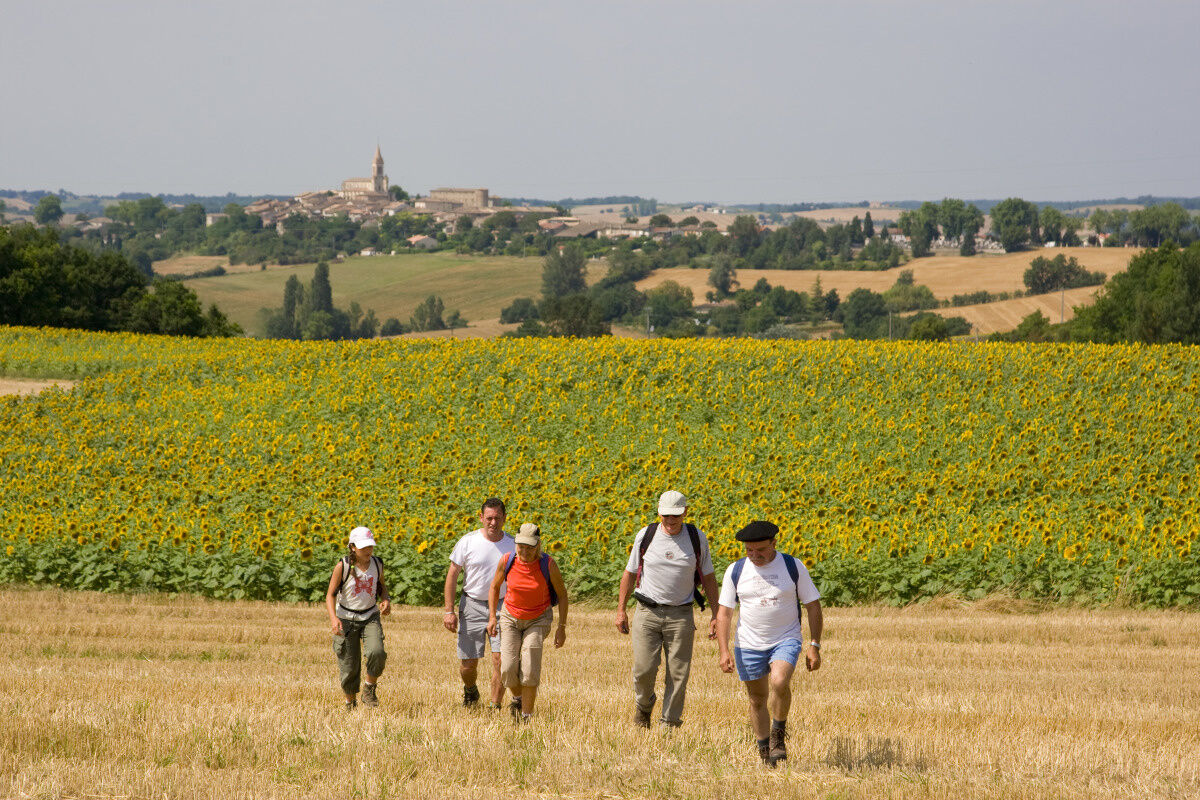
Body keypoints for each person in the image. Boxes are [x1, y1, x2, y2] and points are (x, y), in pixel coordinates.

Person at [715, 520, 823, 767]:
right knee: (756, 698)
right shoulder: (736, 570)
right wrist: (723, 651)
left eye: (761, 550)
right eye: (749, 550)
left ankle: (778, 735)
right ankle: (765, 753)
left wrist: (814, 644)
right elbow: (724, 613)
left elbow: (813, 606)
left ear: (774, 543)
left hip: (786, 638)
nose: (755, 555)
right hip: (748, 643)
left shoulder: (792, 566)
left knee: (779, 681)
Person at [615, 490, 720, 729]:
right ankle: (644, 706)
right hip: (647, 612)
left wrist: (716, 614)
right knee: (643, 670)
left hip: (681, 614)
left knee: (678, 674)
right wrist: (621, 610)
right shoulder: (646, 535)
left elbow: (708, 577)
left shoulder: (696, 538)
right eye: (666, 516)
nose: (671, 521)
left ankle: (669, 724)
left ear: (685, 513)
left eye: (676, 516)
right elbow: (629, 573)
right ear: (659, 513)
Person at [486, 523, 568, 722]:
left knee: (529, 668)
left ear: (538, 545)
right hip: (510, 617)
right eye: (521, 546)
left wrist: (561, 627)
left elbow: (563, 595)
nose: (524, 551)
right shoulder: (507, 560)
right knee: (507, 668)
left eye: (529, 547)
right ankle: (519, 698)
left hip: (538, 619)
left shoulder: (548, 564)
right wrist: (492, 617)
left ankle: (526, 717)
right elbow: (494, 587)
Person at [443, 498, 516, 708]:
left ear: (505, 518)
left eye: (498, 518)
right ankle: (470, 690)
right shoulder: (468, 541)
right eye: (489, 518)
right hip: (472, 604)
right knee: (468, 664)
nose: (493, 523)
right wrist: (449, 611)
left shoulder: (512, 545)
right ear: (481, 517)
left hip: (503, 606)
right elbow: (452, 575)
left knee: (501, 660)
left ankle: (495, 706)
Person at [325, 526, 391, 710]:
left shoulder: (377, 564)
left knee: (377, 652)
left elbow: (382, 586)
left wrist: (385, 599)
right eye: (364, 547)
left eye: (370, 546)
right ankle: (350, 703)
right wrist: (333, 619)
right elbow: (330, 595)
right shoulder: (343, 566)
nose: (368, 550)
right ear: (352, 547)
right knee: (349, 665)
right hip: (346, 619)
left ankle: (369, 688)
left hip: (370, 616)